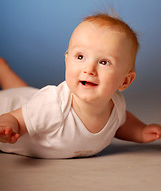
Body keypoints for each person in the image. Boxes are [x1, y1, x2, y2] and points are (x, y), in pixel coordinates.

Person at [0, 13, 161, 159]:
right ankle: (4, 73)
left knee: (28, 95)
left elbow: (121, 123)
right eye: (80, 56)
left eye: (104, 62)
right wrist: (8, 126)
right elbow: (16, 118)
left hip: (30, 100)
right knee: (21, 98)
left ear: (125, 81)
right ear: (67, 61)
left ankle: (4, 73)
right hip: (7, 107)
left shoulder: (116, 106)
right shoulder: (53, 104)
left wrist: (140, 131)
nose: (89, 69)